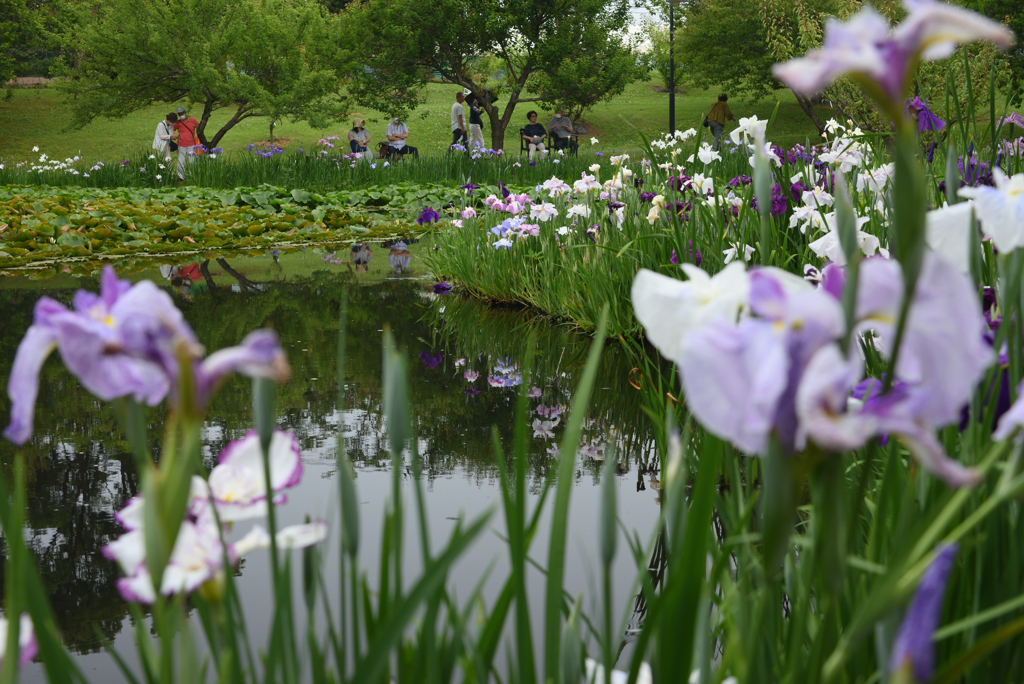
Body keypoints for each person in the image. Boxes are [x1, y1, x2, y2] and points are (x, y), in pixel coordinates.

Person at [173, 106, 202, 181]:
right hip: (181, 144)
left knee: (192, 161)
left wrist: (196, 138)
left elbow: (199, 128)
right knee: (180, 161)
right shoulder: (178, 123)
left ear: (185, 113)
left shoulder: (192, 120)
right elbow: (171, 129)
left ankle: (191, 175)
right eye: (179, 114)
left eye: (181, 113)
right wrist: (175, 136)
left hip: (191, 144)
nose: (180, 115)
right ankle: (181, 176)